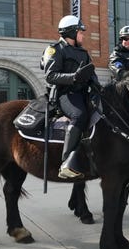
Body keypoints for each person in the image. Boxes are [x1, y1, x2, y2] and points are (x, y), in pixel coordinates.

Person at [42, 15, 99, 179]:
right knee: (79, 115)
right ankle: (66, 163)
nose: (83, 36)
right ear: (71, 33)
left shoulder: (84, 53)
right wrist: (74, 77)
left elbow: (92, 75)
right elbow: (50, 75)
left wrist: (98, 88)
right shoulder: (55, 49)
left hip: (83, 94)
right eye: (81, 32)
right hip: (65, 94)